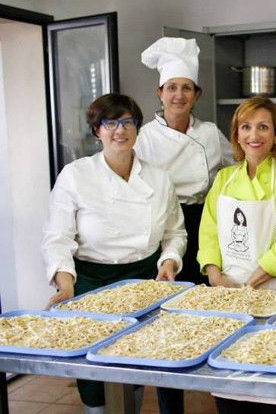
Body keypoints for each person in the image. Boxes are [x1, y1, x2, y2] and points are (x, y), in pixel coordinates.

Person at [41, 93, 186, 414]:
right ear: (97, 131)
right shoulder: (75, 176)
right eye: (110, 123)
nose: (119, 130)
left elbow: (175, 232)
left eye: (127, 122)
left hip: (142, 283)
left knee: (132, 363)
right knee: (92, 372)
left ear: (137, 128)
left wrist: (169, 262)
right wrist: (65, 284)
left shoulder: (159, 179)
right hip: (90, 284)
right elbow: (57, 237)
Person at [135, 36, 233, 414]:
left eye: (186, 88)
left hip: (206, 224)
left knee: (210, 316)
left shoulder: (209, 133)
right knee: (167, 322)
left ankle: (222, 395)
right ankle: (169, 406)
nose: (179, 95)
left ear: (197, 93)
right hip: (165, 229)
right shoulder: (144, 139)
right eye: (172, 88)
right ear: (159, 92)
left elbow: (234, 165)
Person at [198, 96, 276, 414]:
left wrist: (252, 282)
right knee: (228, 383)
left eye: (263, 127)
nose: (253, 135)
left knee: (269, 383)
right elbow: (209, 230)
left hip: (275, 292)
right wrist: (215, 274)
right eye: (245, 127)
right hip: (228, 294)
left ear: (275, 136)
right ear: (236, 134)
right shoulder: (223, 179)